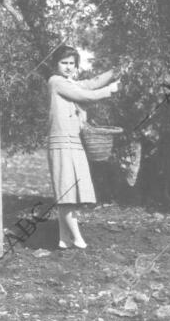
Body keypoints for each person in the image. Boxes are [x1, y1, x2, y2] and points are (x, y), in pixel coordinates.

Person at [47, 46, 120, 249]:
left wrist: (115, 71)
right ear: (56, 64)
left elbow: (91, 84)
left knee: (67, 193)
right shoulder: (56, 82)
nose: (68, 67)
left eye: (72, 63)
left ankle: (63, 239)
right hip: (62, 142)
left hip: (72, 141)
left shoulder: (69, 82)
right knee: (66, 194)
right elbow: (86, 96)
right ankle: (79, 239)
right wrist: (111, 89)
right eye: (64, 63)